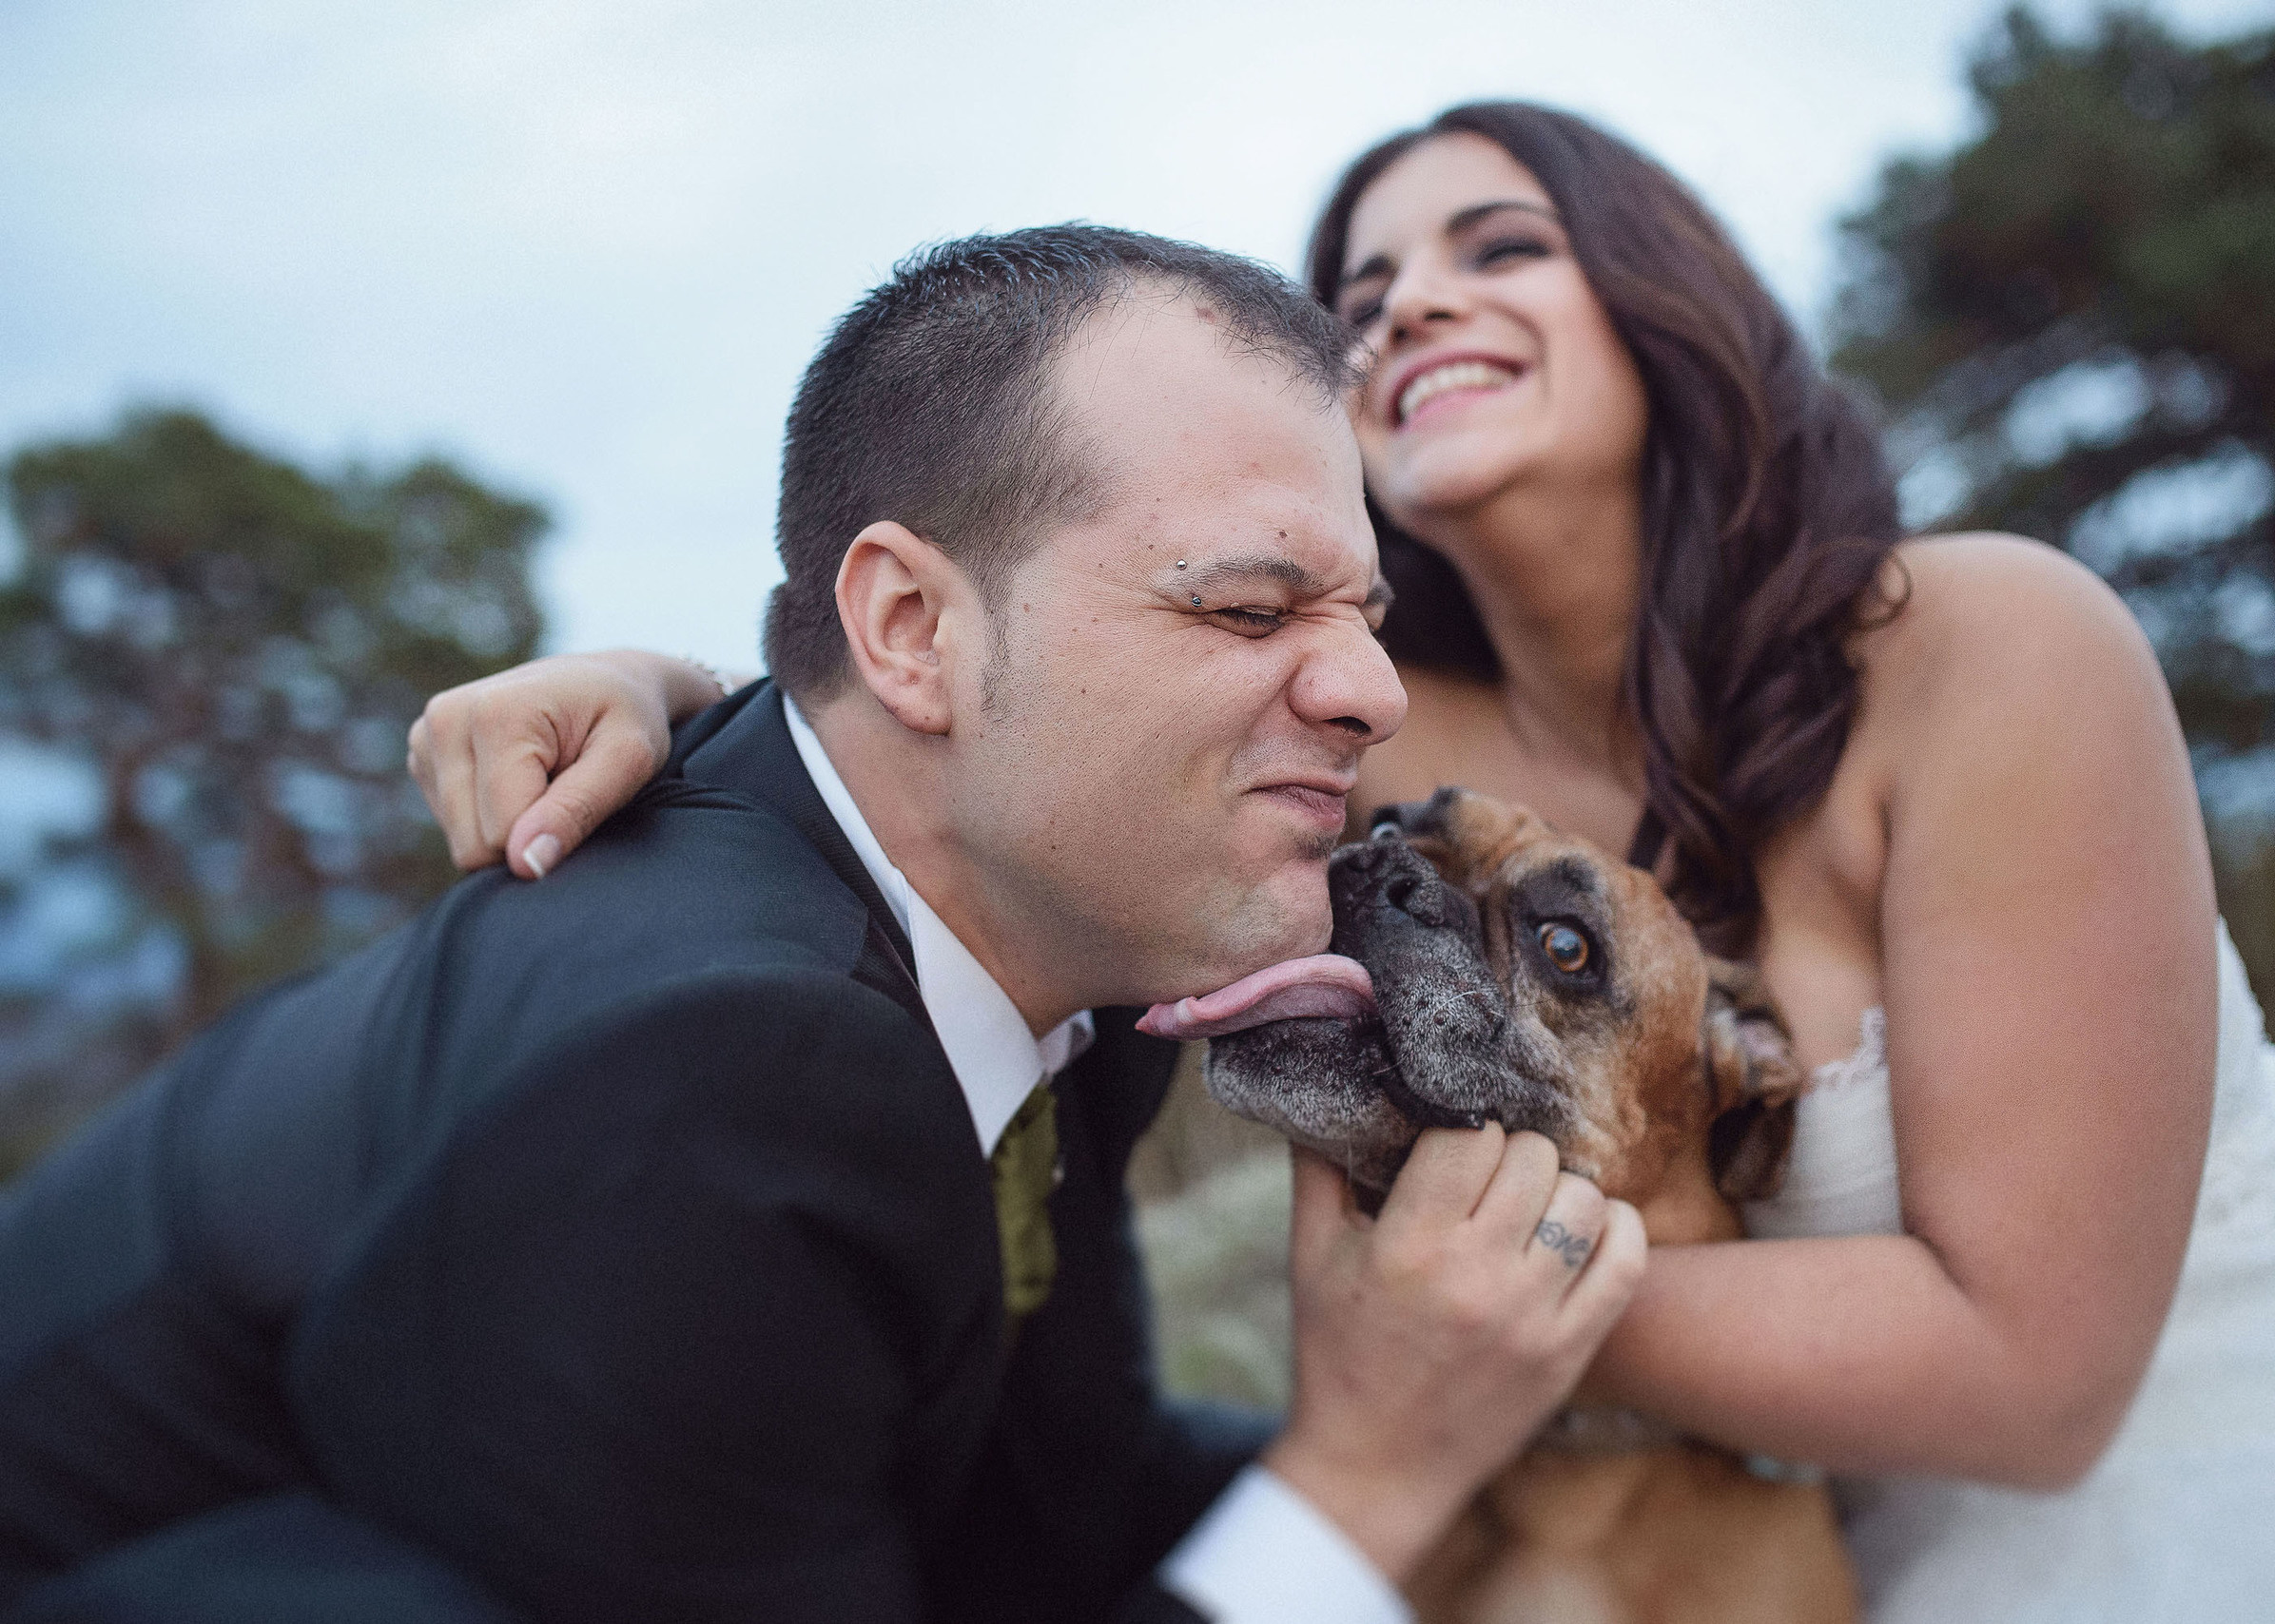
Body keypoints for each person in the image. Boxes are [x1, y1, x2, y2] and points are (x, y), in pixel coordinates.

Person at [423, 105, 2275, 1621]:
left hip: (2219, 1470)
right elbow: (980, 695)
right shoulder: (1393, 741)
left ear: (1670, 297)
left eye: (1498, 243)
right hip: (1735, 1529)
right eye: (1360, 297)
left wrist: (1421, 1340)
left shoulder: (1985, 639)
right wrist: (661, 680)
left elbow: (2032, 1378)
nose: (1408, 307)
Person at [0, 225, 1650, 1624]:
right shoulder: (716, 1069)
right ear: (912, 630)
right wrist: (1369, 1477)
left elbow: (1044, 1504)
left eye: (1360, 613)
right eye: (1245, 605)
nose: (1368, 693)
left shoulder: (1046, 936)